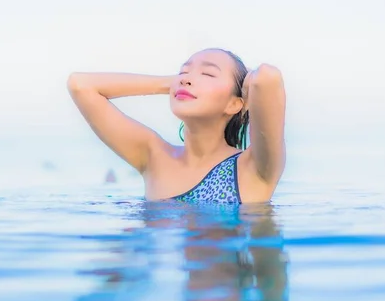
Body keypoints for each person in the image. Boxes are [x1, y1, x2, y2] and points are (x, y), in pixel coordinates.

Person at [67, 48, 286, 203]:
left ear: (234, 103)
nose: (186, 79)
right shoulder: (154, 157)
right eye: (183, 72)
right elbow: (80, 85)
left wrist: (247, 93)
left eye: (208, 74)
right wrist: (170, 83)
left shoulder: (254, 167)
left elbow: (267, 77)